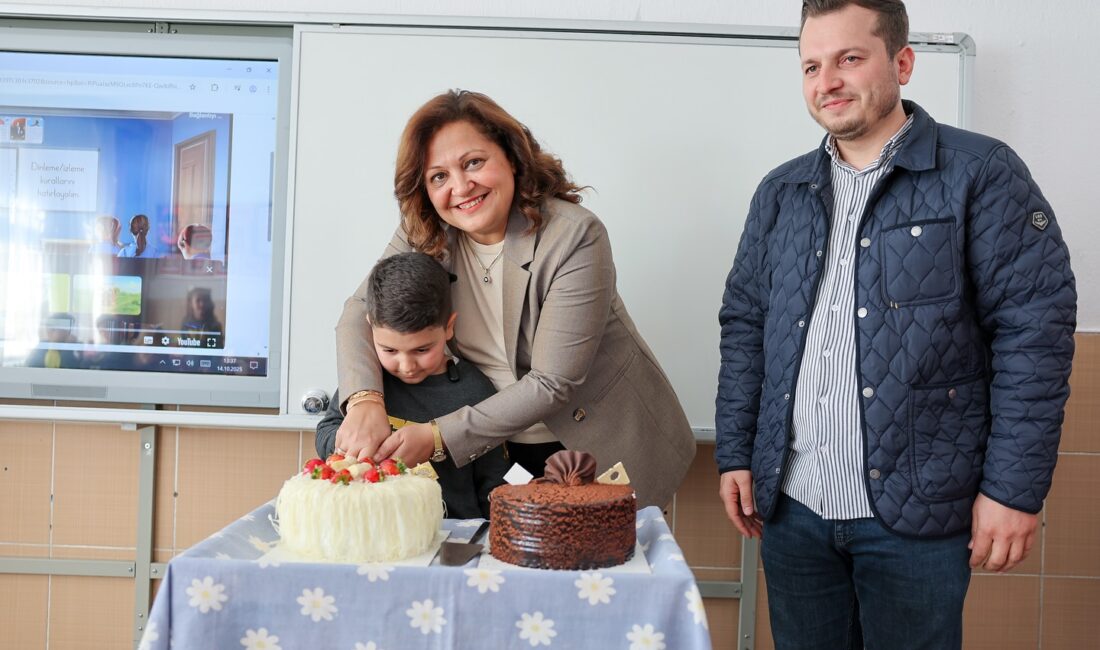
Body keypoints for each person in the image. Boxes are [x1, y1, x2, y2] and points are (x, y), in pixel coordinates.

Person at [715, 2, 1076, 648]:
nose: (827, 81)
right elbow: (746, 325)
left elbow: (1035, 335)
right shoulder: (781, 193)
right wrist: (737, 452)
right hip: (794, 510)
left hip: (919, 514)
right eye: (811, 66)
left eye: (849, 59)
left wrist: (1012, 491)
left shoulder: (980, 175)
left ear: (902, 63)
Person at [334, 90, 695, 508]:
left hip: (592, 442)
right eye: (439, 177)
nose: (461, 186)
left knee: (595, 567)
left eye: (473, 163)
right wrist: (364, 401)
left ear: (511, 156)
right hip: (496, 449)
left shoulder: (575, 235)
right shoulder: (425, 232)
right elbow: (358, 312)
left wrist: (435, 437)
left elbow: (552, 382)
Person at [317, 252, 509, 519]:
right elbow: (327, 428)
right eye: (390, 350)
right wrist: (350, 449)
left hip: (450, 533)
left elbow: (495, 477)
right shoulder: (368, 382)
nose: (406, 365)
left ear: (448, 327)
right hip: (370, 526)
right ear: (370, 328)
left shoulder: (475, 391)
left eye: (422, 349)